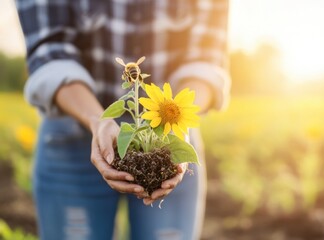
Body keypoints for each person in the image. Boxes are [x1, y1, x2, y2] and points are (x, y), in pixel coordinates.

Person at [16, 0, 230, 239]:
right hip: (73, 128)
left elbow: (205, 59)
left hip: (165, 137)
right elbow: (50, 52)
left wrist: (176, 124)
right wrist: (99, 120)